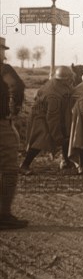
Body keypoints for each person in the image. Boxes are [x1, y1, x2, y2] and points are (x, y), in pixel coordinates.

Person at [20, 65, 74, 174]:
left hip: (52, 115)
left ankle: (66, 162)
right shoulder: (53, 95)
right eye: (69, 79)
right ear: (65, 79)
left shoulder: (59, 84)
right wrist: (57, 137)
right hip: (40, 117)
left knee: (66, 133)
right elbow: (52, 119)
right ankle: (24, 165)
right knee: (41, 140)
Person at [0, 37, 28, 229]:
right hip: (1, 124)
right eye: (2, 50)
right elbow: (17, 87)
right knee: (9, 169)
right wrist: (14, 109)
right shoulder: (4, 69)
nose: (4, 53)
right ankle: (3, 215)